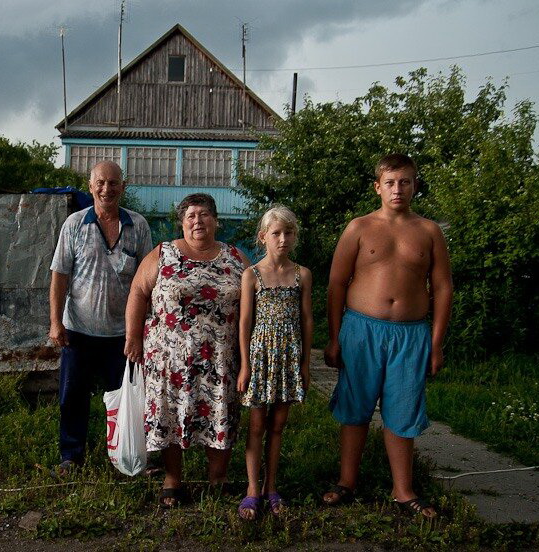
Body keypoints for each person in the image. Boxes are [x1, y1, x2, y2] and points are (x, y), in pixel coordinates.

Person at [322, 154, 453, 518]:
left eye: (405, 182)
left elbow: (443, 288)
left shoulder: (429, 231)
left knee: (403, 409)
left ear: (415, 186)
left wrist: (436, 344)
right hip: (361, 330)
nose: (398, 189)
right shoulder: (359, 228)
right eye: (391, 183)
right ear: (377, 187)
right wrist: (334, 338)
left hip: (410, 335)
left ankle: (403, 490)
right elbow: (336, 284)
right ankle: (346, 482)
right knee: (355, 407)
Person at [124, 193, 249, 508]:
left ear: (216, 221)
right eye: (191, 215)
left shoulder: (236, 258)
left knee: (220, 412)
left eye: (204, 214)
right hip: (170, 360)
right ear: (182, 223)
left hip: (221, 359)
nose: (198, 221)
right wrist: (133, 336)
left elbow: (254, 301)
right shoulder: (163, 253)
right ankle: (172, 480)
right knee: (170, 415)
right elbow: (138, 292)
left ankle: (218, 478)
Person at [49, 160, 153, 476]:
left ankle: (126, 456)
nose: (107, 189)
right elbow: (59, 276)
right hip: (78, 330)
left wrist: (142, 329)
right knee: (72, 397)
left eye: (113, 183)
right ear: (91, 186)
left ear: (123, 187)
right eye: (101, 182)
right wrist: (55, 322)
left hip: (123, 334)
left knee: (128, 399)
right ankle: (71, 457)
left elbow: (148, 280)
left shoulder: (138, 225)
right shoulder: (74, 224)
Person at [236, 205, 313, 520]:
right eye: (276, 233)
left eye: (288, 233)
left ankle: (271, 487)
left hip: (288, 358)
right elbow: (244, 322)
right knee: (257, 425)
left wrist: (305, 364)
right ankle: (252, 489)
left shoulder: (301, 274)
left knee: (278, 425)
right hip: (260, 357)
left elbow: (307, 320)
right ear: (263, 237)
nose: (283, 239)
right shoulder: (251, 275)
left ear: (295, 236)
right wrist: (245, 366)